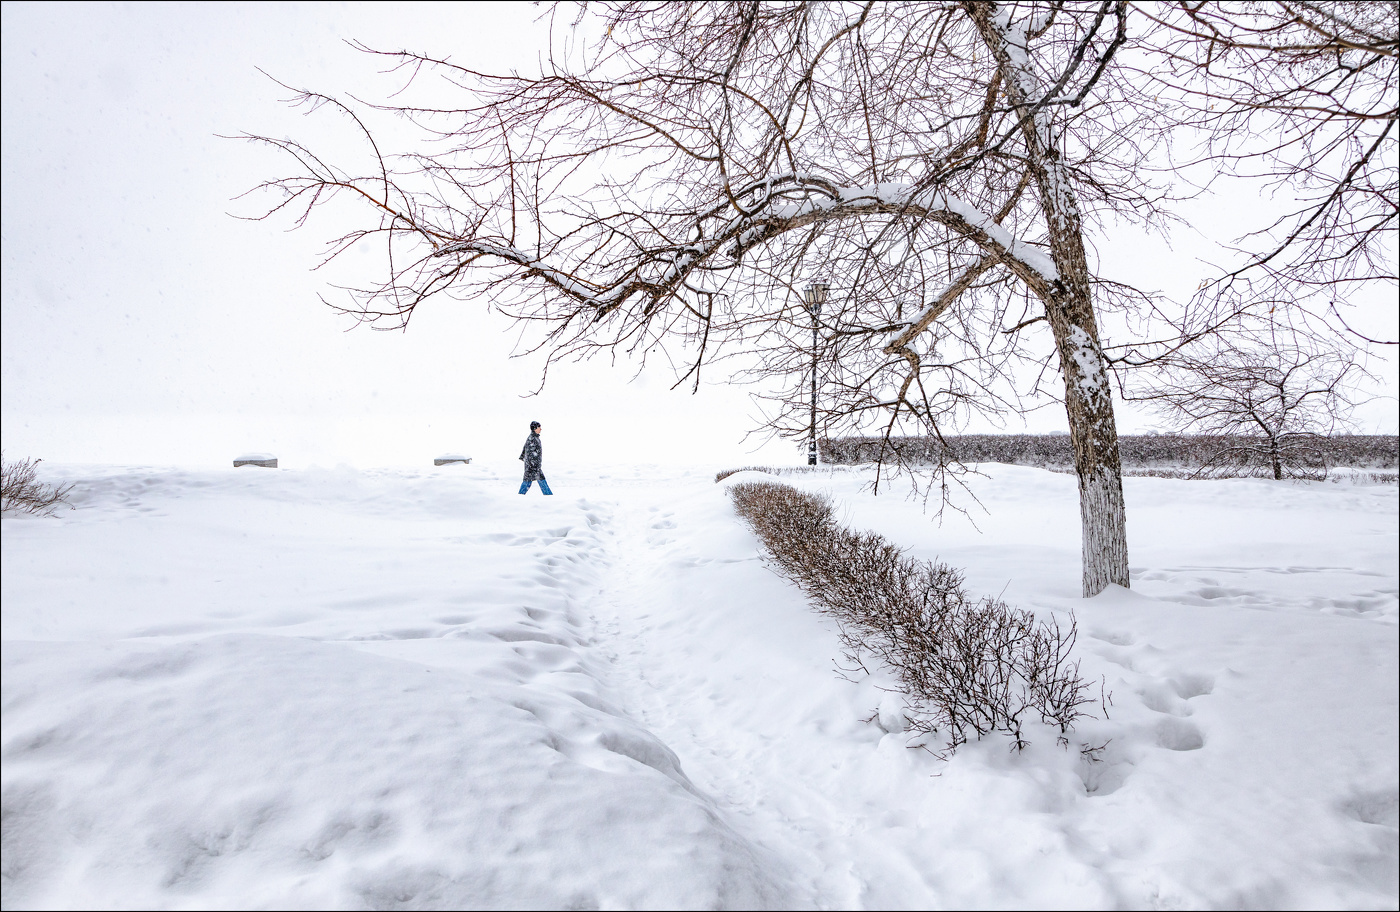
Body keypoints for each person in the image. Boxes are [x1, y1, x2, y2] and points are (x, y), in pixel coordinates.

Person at [518, 421, 553, 495]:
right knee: (540, 481)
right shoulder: (532, 439)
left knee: (528, 482)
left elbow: (525, 449)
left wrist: (523, 457)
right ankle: (549, 496)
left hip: (533, 466)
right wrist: (533, 465)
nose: (541, 429)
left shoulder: (534, 437)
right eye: (539, 427)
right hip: (533, 466)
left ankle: (520, 495)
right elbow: (530, 453)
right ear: (535, 428)